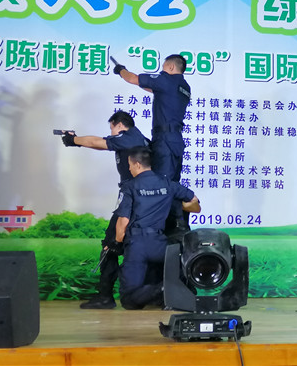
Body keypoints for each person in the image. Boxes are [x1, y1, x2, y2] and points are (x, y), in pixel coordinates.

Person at [61, 110, 150, 309]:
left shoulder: (128, 137)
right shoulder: (138, 139)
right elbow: (100, 144)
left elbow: (97, 142)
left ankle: (105, 297)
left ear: (120, 125)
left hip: (132, 200)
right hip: (143, 201)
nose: (111, 133)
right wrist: (77, 141)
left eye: (112, 128)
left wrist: (73, 140)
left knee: (110, 244)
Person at [113, 54, 191, 236]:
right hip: (176, 141)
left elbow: (133, 79)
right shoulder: (184, 87)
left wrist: (121, 70)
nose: (162, 70)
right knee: (172, 183)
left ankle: (162, 229)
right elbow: (154, 89)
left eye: (163, 67)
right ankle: (177, 225)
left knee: (160, 184)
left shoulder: (166, 80)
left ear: (170, 67)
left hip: (164, 140)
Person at [114, 146, 200, 310]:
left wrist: (118, 242)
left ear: (137, 164)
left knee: (129, 300)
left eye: (130, 165)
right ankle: (171, 288)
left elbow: (123, 221)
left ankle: (163, 289)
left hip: (137, 243)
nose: (129, 169)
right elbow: (194, 203)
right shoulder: (167, 183)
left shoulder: (130, 186)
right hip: (160, 243)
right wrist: (183, 206)